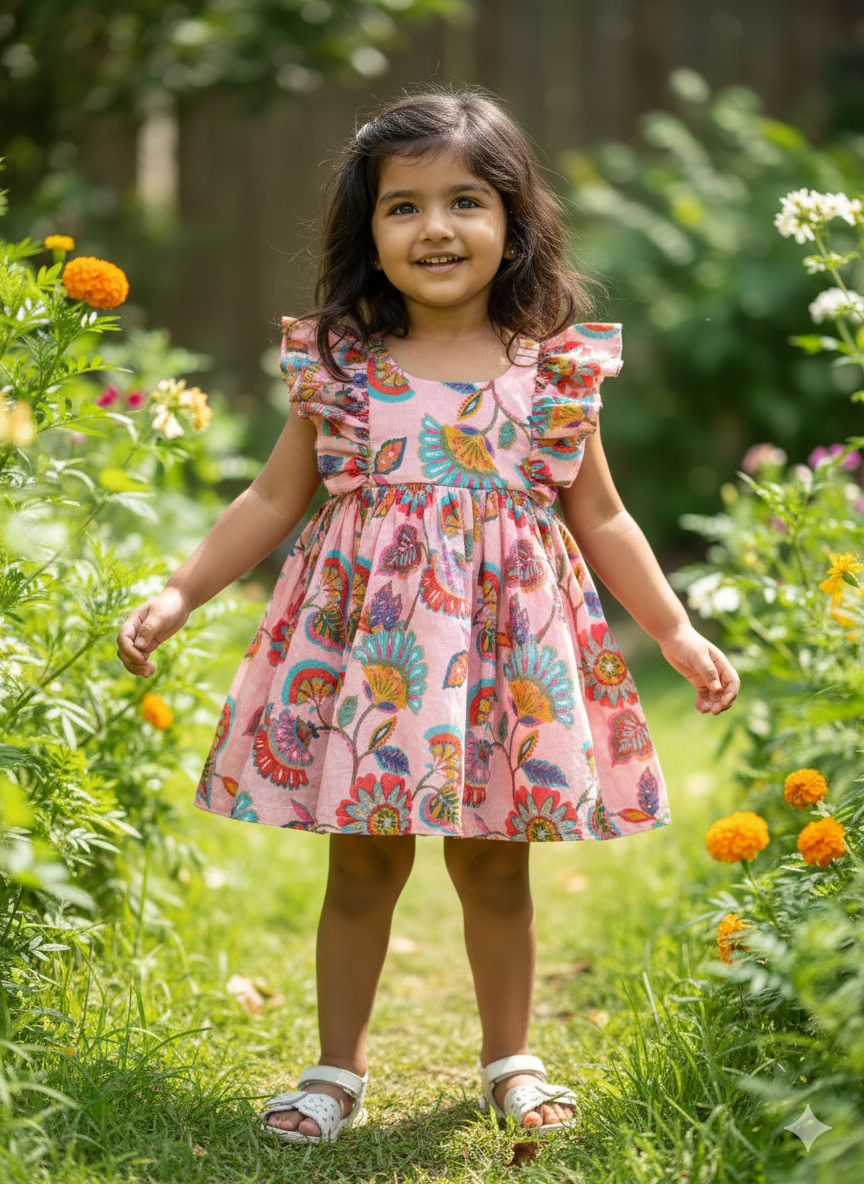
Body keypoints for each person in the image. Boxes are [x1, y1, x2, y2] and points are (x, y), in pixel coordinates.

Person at [116, 87, 740, 1146]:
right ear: (368, 228)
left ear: (513, 221)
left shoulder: (555, 373)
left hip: (508, 657)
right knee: (363, 857)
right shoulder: (343, 367)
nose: (436, 228)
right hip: (374, 657)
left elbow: (606, 516)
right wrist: (179, 593)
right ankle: (334, 1070)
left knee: (497, 858)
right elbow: (274, 497)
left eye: (465, 201)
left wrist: (675, 628)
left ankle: (511, 1056)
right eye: (403, 207)